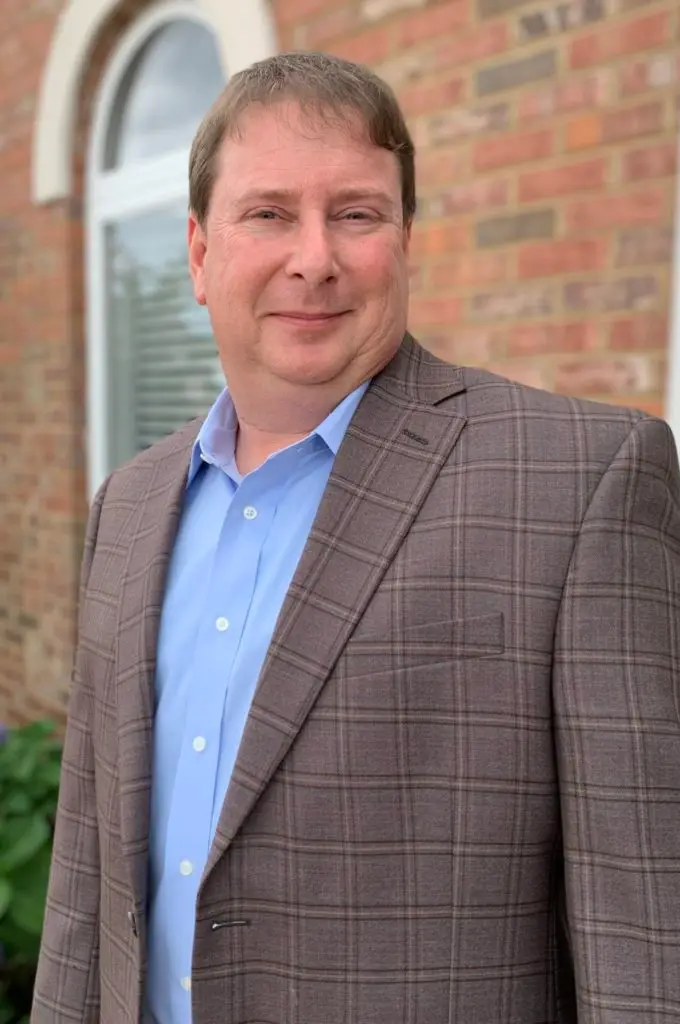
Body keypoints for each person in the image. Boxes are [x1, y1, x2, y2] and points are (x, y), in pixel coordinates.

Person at [32, 51, 680, 1024]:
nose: (313, 257)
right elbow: (86, 870)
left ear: (404, 238)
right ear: (201, 255)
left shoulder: (579, 476)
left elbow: (642, 920)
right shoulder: (128, 505)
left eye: (355, 213)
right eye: (268, 213)